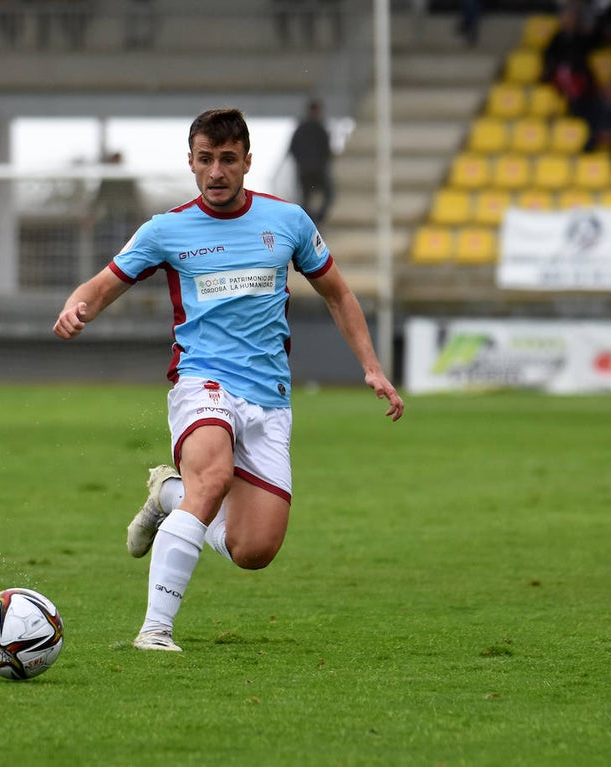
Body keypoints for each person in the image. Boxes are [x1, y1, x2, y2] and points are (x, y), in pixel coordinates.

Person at [52, 108, 403, 652]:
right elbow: (99, 287)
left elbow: (338, 293)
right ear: (191, 162)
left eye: (227, 160)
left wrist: (373, 367)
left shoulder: (287, 222)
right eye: (206, 159)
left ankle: (168, 495)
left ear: (246, 162)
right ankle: (155, 630)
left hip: (270, 397)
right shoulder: (166, 229)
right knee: (213, 479)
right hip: (202, 381)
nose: (216, 171)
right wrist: (76, 310)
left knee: (253, 550)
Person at [287, 99, 334, 226]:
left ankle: (312, 221)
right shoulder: (319, 128)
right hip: (315, 170)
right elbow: (327, 150)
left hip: (306, 169)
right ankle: (316, 220)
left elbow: (292, 149)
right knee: (326, 194)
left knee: (308, 199)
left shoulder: (302, 128)